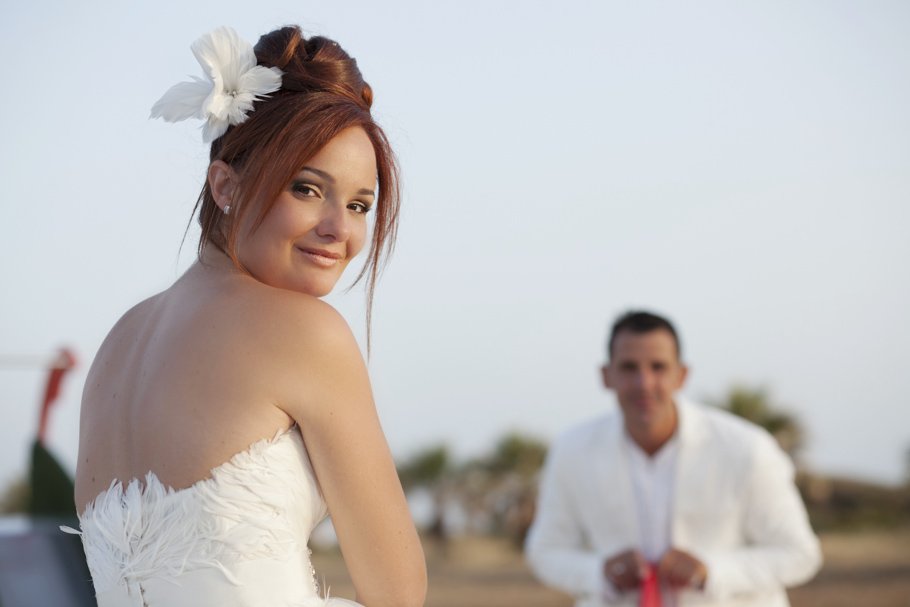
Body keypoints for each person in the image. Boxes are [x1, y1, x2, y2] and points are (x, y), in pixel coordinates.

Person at [69, 25, 426, 607]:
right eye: (308, 189)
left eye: (360, 204)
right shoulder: (307, 334)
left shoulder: (120, 343)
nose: (341, 229)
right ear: (224, 183)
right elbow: (398, 591)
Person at [525, 311, 821, 607]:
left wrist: (712, 571)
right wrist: (600, 572)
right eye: (629, 368)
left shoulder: (747, 448)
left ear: (682, 375)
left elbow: (799, 553)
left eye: (658, 367)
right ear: (606, 375)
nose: (644, 382)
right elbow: (546, 551)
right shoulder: (572, 450)